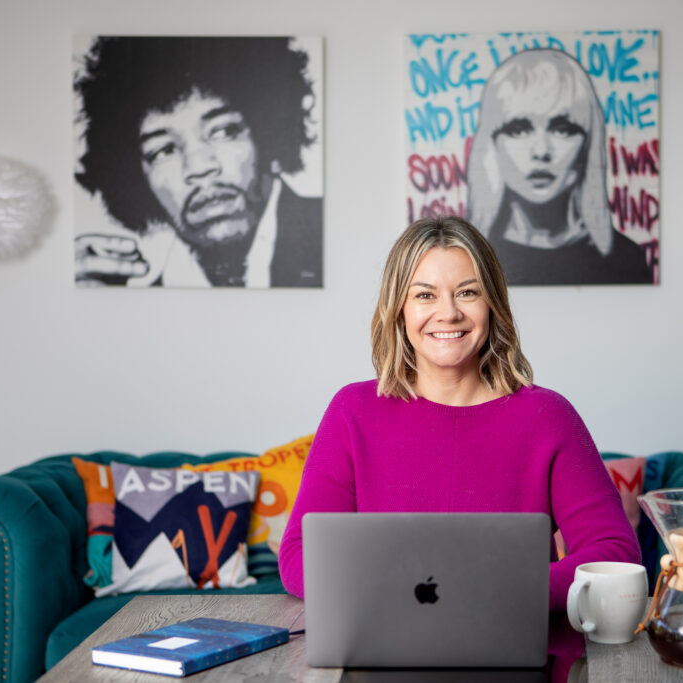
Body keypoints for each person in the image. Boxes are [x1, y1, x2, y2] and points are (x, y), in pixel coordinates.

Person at [278, 215, 639, 615]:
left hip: (515, 646)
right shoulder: (353, 411)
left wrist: (504, 592)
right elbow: (299, 555)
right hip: (382, 648)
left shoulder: (548, 417)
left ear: (492, 304)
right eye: (425, 295)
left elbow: (615, 553)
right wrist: (401, 593)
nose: (448, 313)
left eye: (468, 292)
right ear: (398, 309)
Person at [73, 36, 322, 287]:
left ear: (270, 134)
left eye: (224, 132)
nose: (199, 168)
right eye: (163, 150)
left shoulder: (340, 238)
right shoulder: (135, 306)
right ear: (138, 181)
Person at [467, 49, 652, 285]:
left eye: (562, 130)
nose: (542, 151)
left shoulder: (626, 258)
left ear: (587, 144)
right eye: (519, 130)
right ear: (492, 142)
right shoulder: (469, 262)